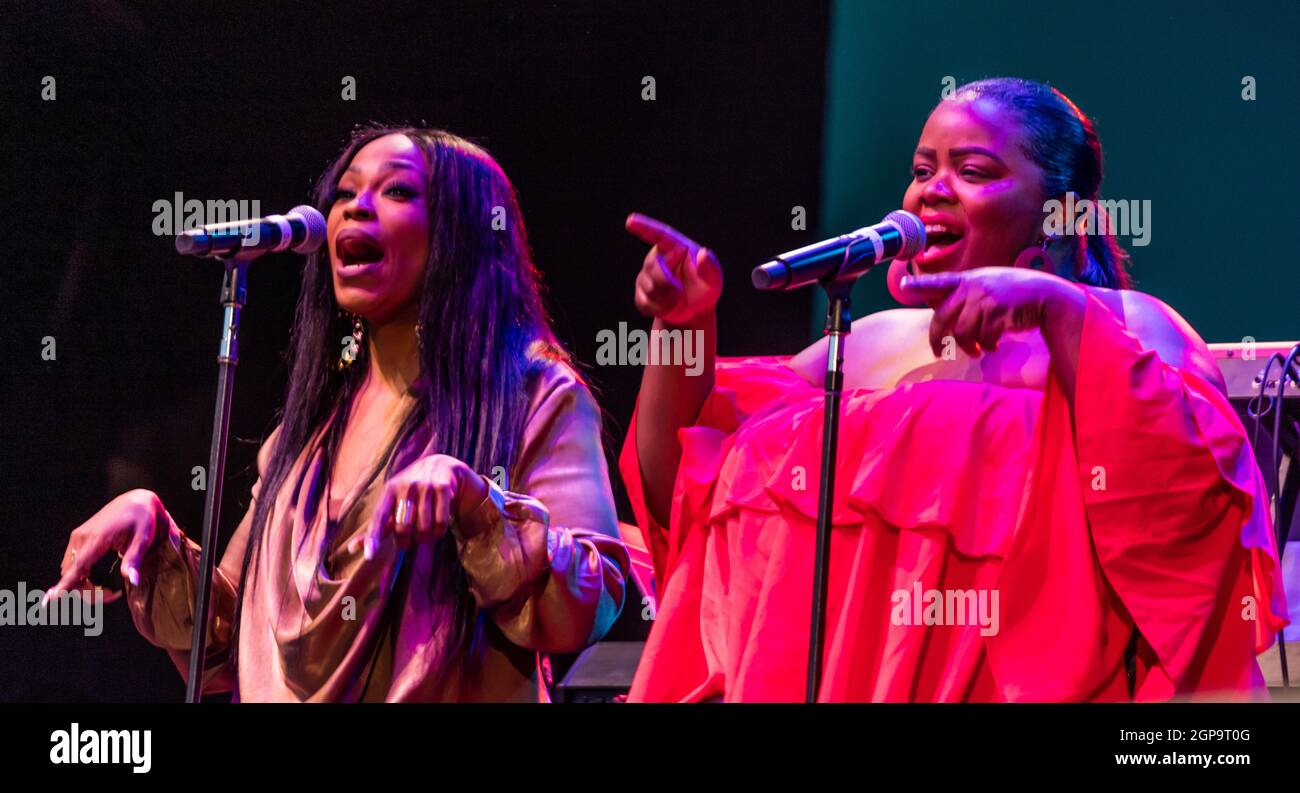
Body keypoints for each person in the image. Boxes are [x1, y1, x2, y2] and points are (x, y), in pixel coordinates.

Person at [620, 78, 1288, 702]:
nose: (931, 190)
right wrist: (682, 326)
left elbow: (1185, 523)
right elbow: (679, 486)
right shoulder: (865, 344)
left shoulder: (1125, 327)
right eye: (921, 170)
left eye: (971, 171)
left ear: (1059, 213)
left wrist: (1057, 310)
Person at [47, 125, 628, 702]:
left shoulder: (533, 396)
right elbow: (227, 639)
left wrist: (477, 505)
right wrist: (154, 539)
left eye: (397, 192)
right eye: (344, 194)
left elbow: (590, 601)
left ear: (463, 233)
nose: (355, 209)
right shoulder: (306, 436)